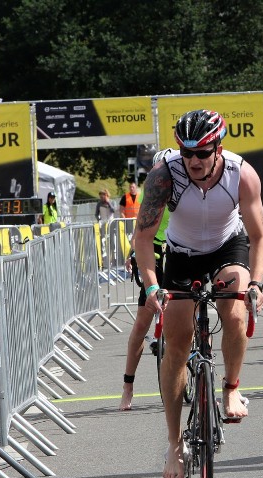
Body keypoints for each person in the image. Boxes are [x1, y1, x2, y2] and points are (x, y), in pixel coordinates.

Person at [132, 110, 263, 478]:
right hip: (181, 255)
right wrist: (151, 286)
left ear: (218, 148)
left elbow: (258, 238)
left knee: (236, 308)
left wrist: (255, 282)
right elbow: (143, 239)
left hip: (228, 247)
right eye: (187, 152)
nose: (194, 160)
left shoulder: (242, 174)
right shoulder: (164, 177)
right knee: (176, 345)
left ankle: (232, 390)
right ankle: (174, 444)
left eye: (203, 152)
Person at [119, 149, 173, 411]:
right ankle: (128, 385)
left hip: (182, 254)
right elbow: (139, 233)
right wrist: (133, 253)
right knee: (141, 323)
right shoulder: (153, 194)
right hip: (156, 255)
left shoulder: (188, 191)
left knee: (198, 313)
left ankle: (203, 374)